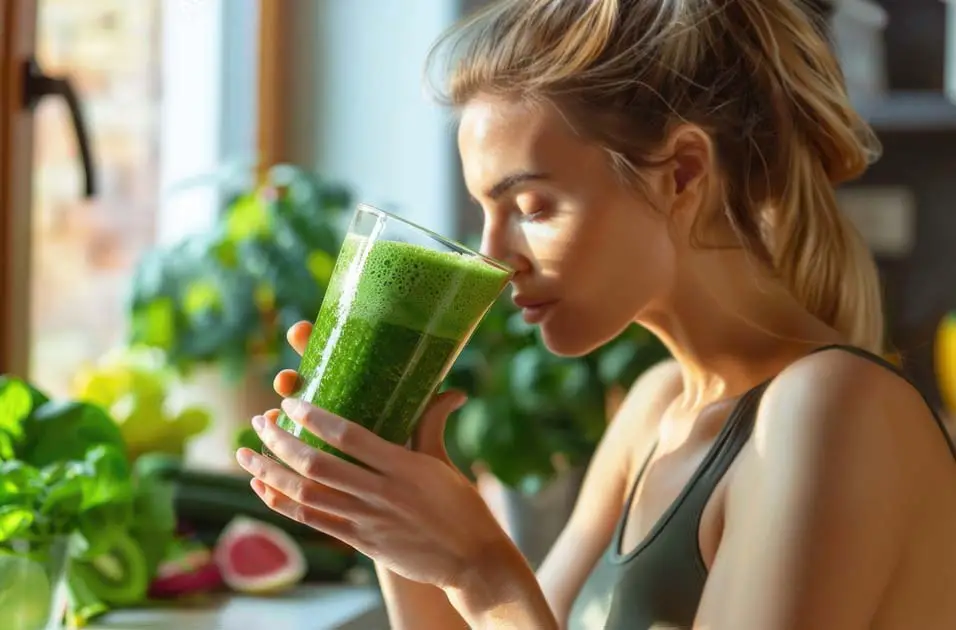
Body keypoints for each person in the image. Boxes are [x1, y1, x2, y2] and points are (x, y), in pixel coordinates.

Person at [235, 0, 956, 628]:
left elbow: (501, 604)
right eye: (486, 213)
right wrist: (390, 514)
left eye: (530, 208)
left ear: (682, 173)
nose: (495, 257)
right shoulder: (654, 409)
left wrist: (483, 571)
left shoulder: (831, 408)